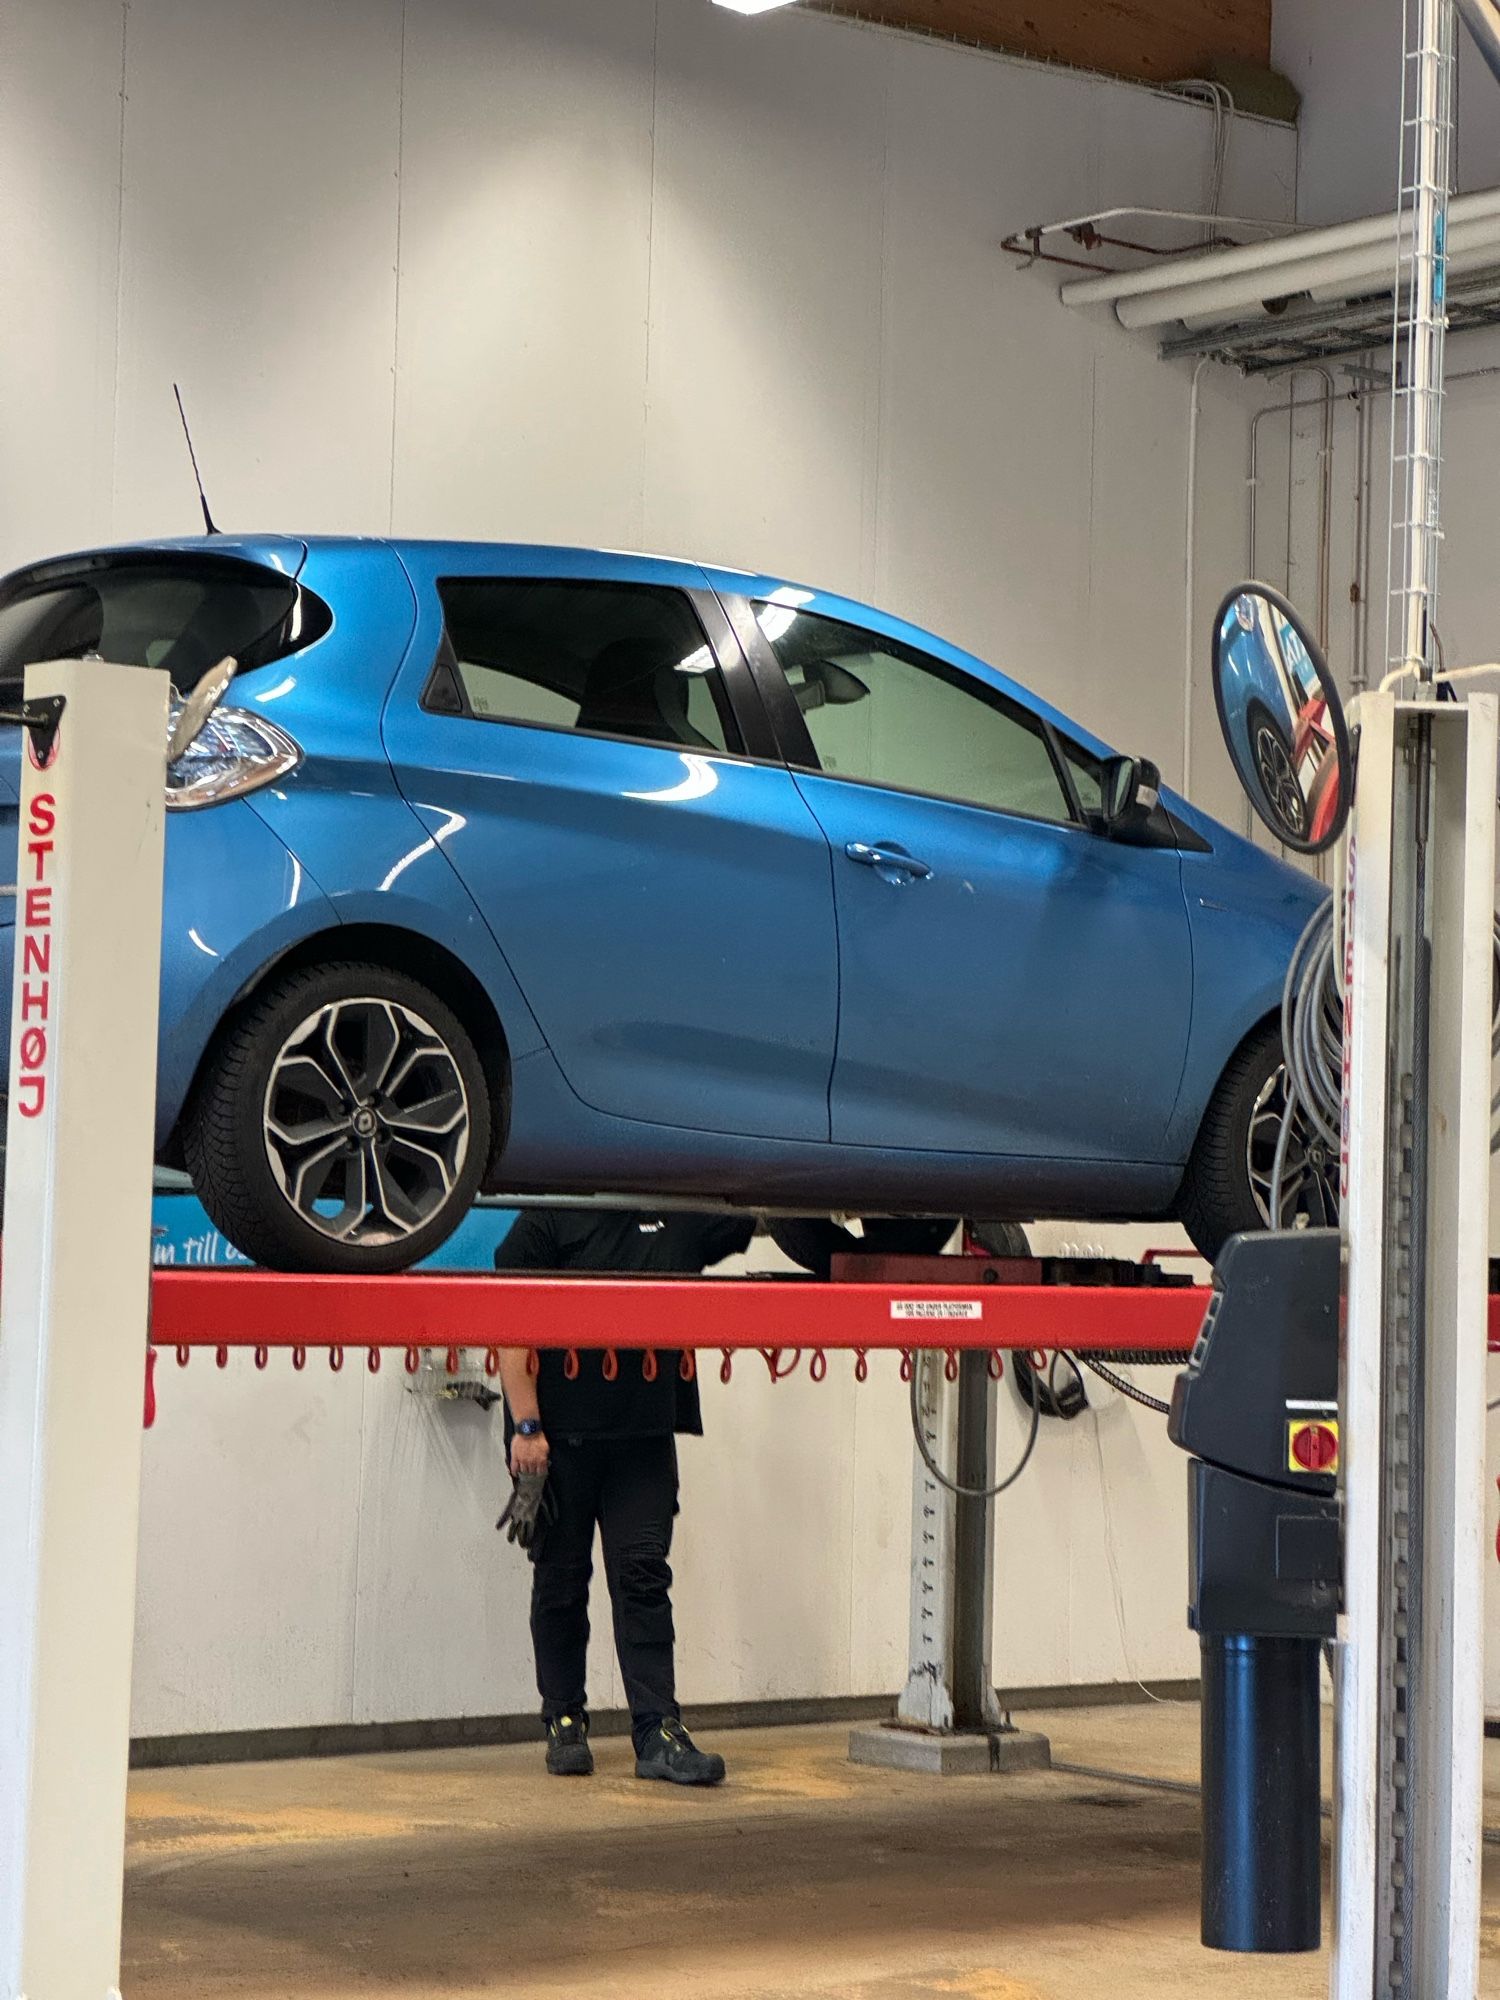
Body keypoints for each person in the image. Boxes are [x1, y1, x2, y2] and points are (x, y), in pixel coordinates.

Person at [493, 1206, 755, 1785]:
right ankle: (563, 1718)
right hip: (559, 1440)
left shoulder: (679, 1216)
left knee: (642, 1578)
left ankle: (657, 1733)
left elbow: (763, 1215)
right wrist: (526, 1427)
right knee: (560, 1582)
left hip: (643, 1439)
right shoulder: (554, 1221)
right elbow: (511, 1319)